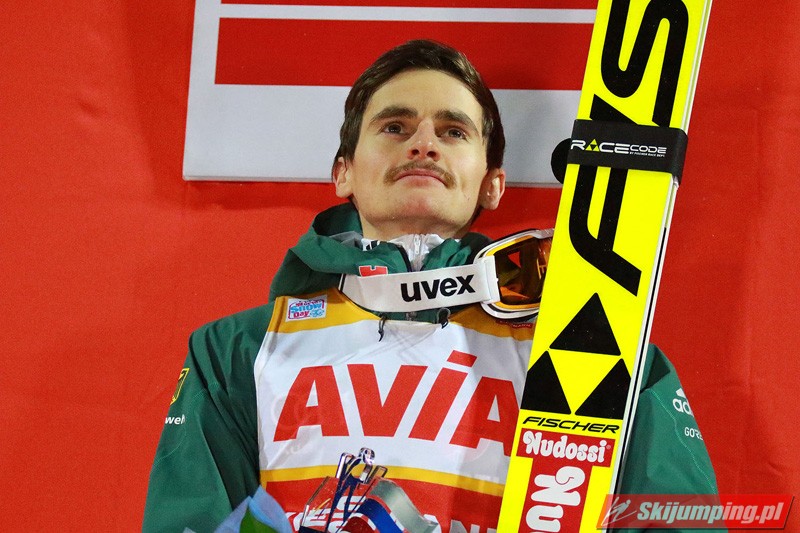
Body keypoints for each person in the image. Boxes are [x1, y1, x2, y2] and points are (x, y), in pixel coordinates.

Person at [143, 40, 720, 532]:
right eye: (394, 127)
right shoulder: (238, 351)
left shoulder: (589, 344)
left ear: (492, 184)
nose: (423, 144)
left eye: (453, 131)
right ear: (343, 171)